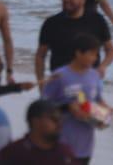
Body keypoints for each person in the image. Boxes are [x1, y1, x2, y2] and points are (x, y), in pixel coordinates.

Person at [41, 34, 108, 164]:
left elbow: (99, 100)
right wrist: (67, 107)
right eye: (92, 54)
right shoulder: (59, 76)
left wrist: (105, 116)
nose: (95, 59)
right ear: (78, 53)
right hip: (60, 144)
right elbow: (42, 107)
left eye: (96, 55)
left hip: (85, 147)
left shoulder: (94, 76)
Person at [35, 0, 113, 87]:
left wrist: (102, 67)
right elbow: (40, 55)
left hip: (89, 82)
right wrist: (41, 85)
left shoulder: (97, 20)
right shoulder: (51, 23)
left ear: (83, 0)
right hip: (60, 82)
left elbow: (111, 50)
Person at [0, 99, 76, 164]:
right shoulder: (13, 154)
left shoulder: (65, 153)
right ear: (36, 121)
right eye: (54, 119)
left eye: (60, 119)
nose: (59, 124)